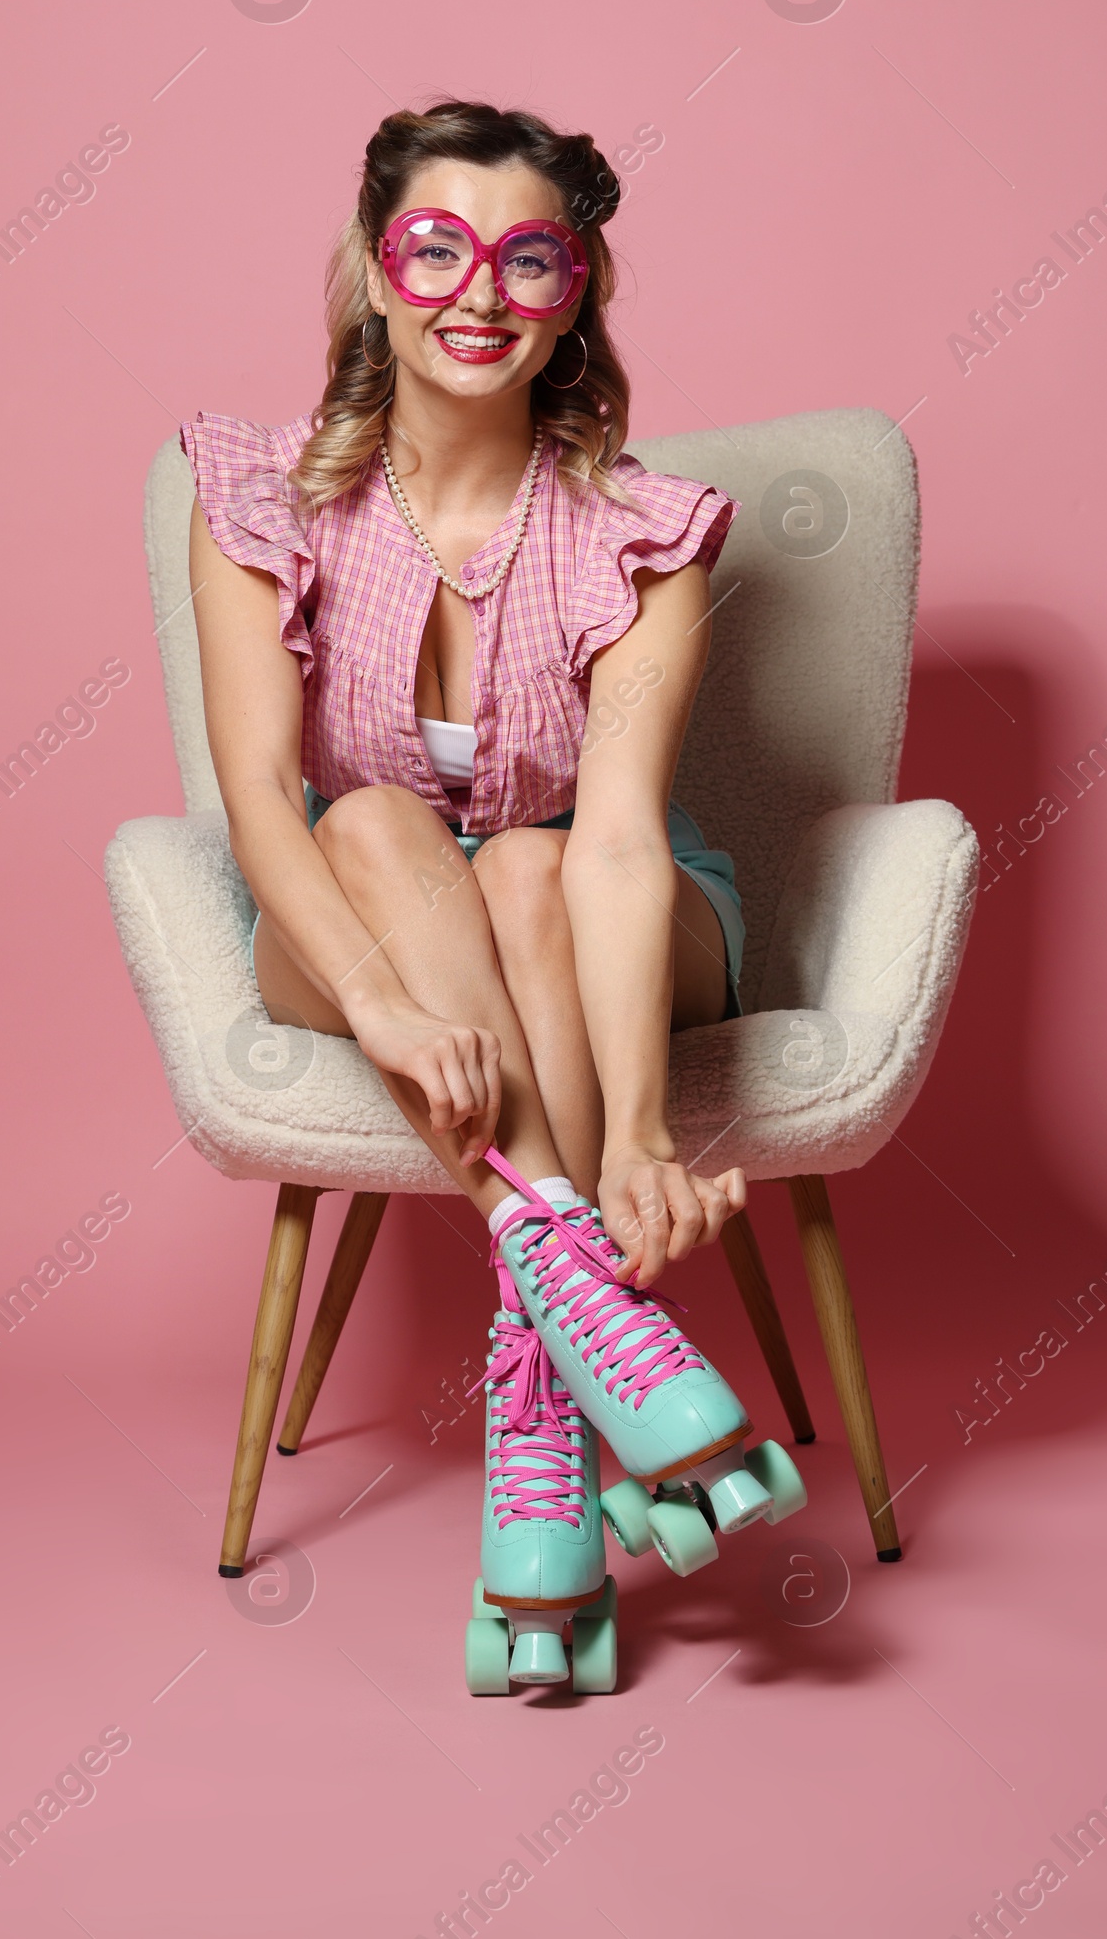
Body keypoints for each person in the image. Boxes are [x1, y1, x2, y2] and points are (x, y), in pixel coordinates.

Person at [185, 100, 802, 1692]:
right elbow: (262, 795)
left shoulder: (643, 536)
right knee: (378, 822)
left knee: (524, 859)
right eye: (436, 247)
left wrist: (654, 1132)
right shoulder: (257, 500)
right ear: (375, 273)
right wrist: (385, 1002)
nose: (478, 294)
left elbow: (608, 844)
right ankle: (608, 1333)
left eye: (531, 260)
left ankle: (545, 1393)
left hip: (614, 911)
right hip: (361, 914)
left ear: (578, 291)